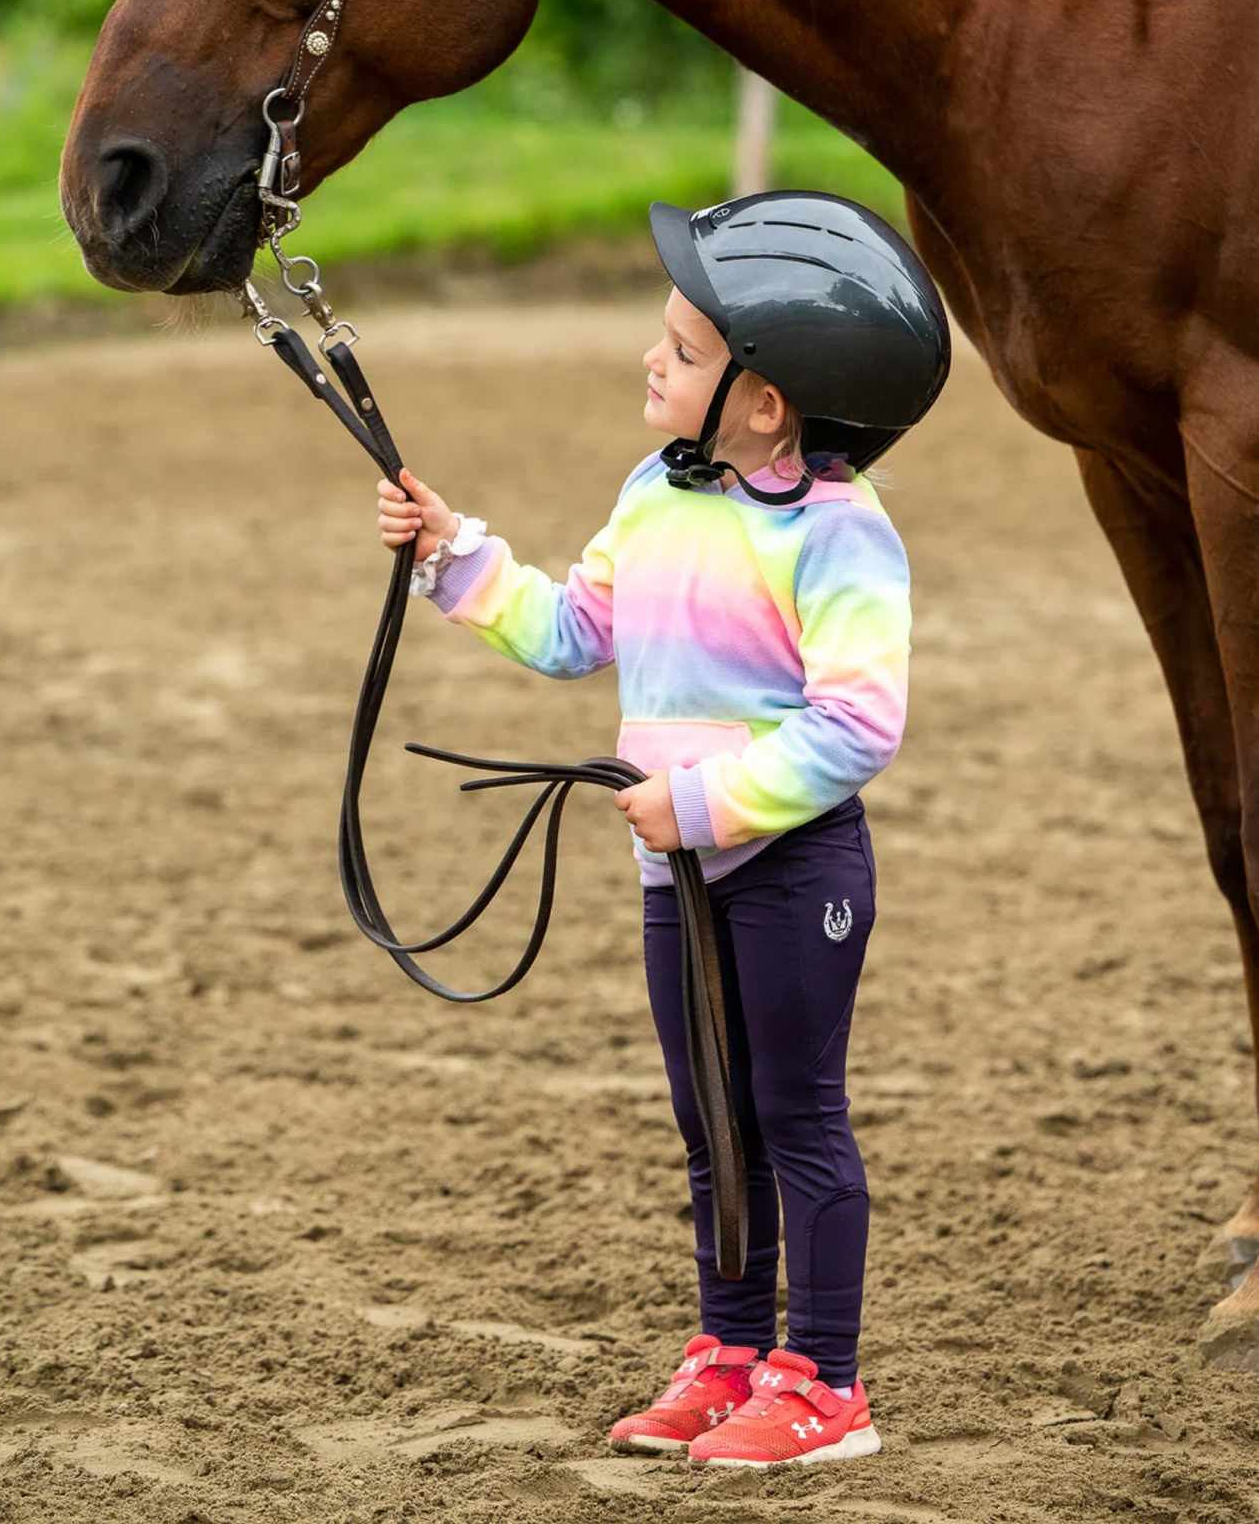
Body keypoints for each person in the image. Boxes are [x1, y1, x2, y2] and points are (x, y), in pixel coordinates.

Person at [374, 193, 950, 1471]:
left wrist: (696, 803)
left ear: (766, 401)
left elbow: (856, 723)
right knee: (710, 1125)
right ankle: (732, 1349)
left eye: (685, 350)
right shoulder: (651, 490)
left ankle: (826, 1383)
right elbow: (575, 632)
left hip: (789, 868)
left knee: (794, 1113)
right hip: (672, 872)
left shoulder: (840, 536)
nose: (653, 358)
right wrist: (455, 555)